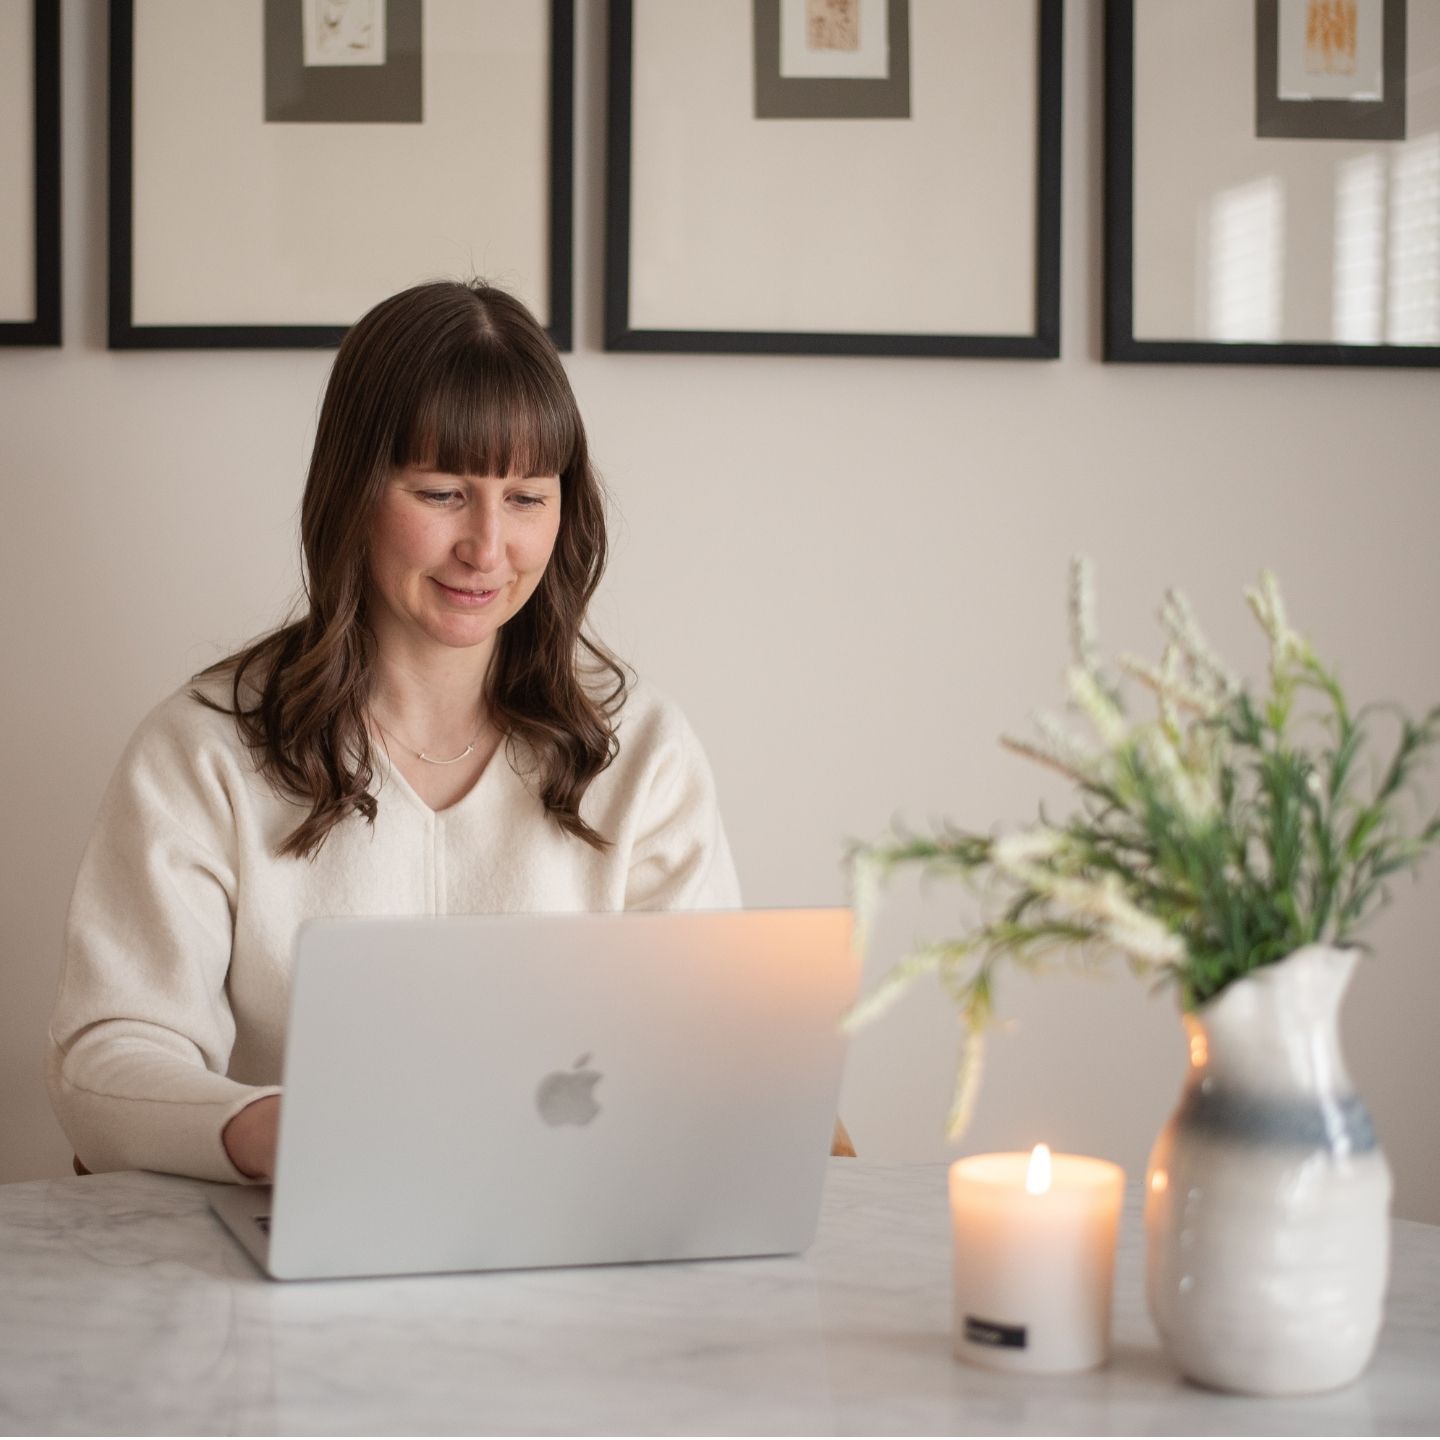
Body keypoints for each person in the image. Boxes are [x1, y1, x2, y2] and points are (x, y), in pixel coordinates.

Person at [45, 279, 779, 1185]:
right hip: (277, 1254)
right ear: (352, 490)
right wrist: (268, 1129)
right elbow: (108, 1053)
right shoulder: (202, 750)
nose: (486, 547)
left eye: (525, 497)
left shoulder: (641, 749)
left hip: (578, 1248)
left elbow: (714, 1048)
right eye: (440, 493)